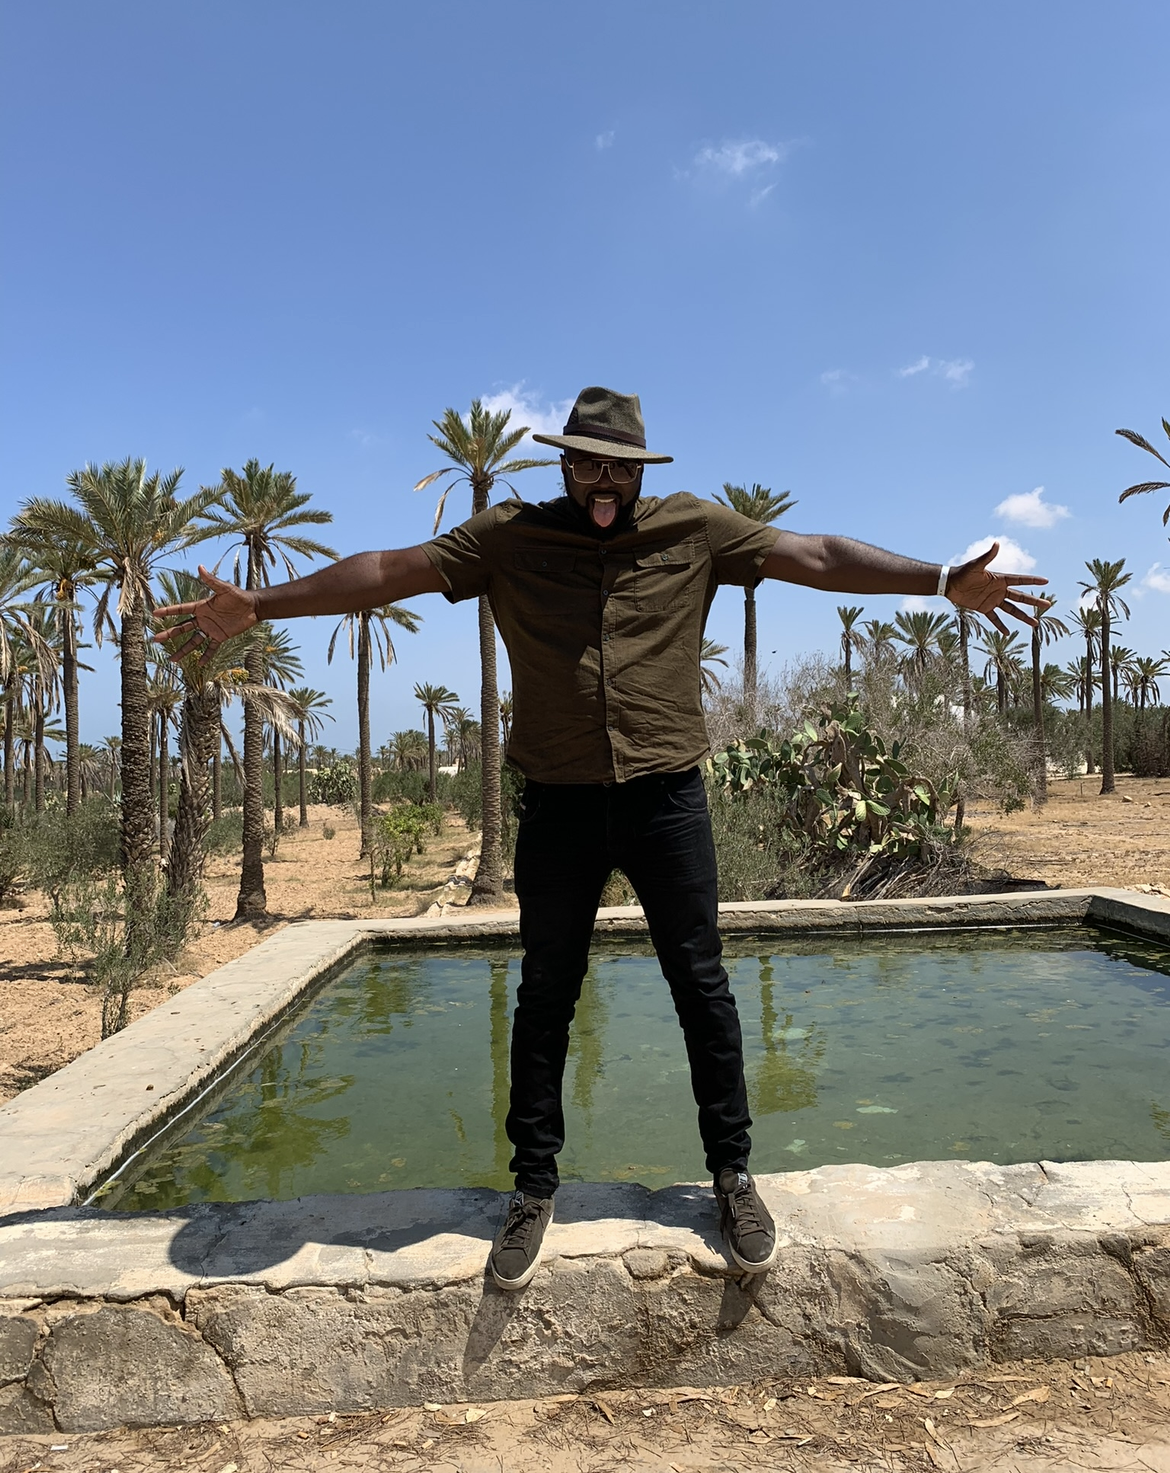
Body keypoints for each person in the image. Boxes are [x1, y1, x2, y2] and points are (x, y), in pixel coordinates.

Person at [156, 387, 1048, 1291]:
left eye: (621, 465)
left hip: (668, 799)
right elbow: (389, 571)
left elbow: (812, 553)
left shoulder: (693, 527)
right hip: (558, 806)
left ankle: (732, 1176)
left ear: (642, 468)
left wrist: (940, 581)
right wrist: (259, 607)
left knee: (701, 984)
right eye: (589, 463)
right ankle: (533, 1187)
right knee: (546, 994)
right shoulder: (507, 536)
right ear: (564, 463)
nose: (605, 481)